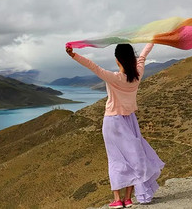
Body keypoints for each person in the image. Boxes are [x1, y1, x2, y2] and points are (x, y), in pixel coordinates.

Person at [66, 43, 165, 208]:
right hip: (130, 120)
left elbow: (93, 66)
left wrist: (73, 55)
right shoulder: (137, 74)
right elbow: (143, 56)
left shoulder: (114, 77)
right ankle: (128, 198)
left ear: (118, 60)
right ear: (131, 59)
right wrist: (152, 40)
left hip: (112, 121)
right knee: (134, 156)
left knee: (116, 159)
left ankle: (118, 199)